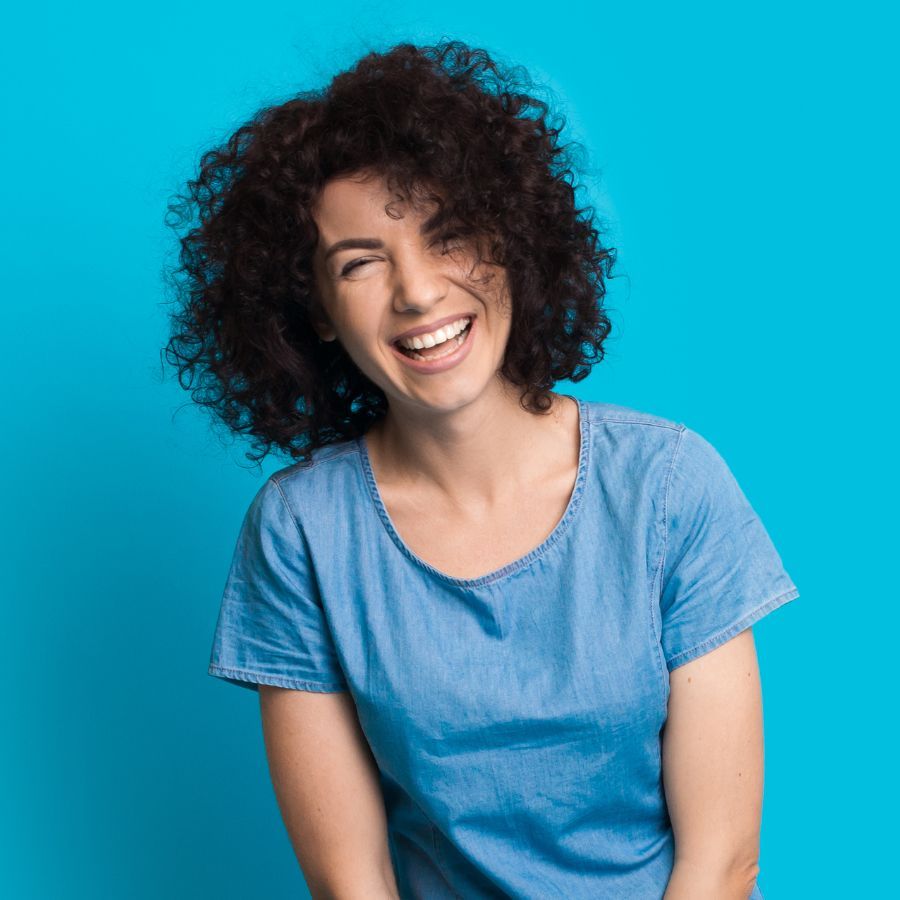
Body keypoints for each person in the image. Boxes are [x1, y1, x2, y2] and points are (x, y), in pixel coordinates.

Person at [163, 38, 799, 900]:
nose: (418, 292)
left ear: (510, 242)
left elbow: (721, 864)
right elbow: (351, 881)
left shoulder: (668, 486)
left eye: (449, 236)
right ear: (316, 310)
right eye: (361, 262)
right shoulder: (302, 532)